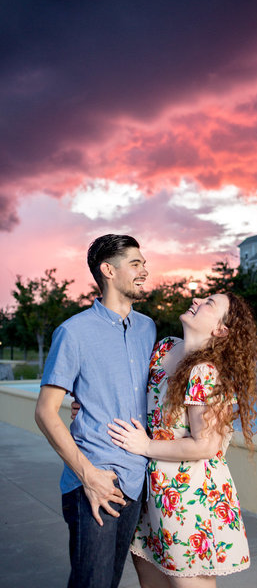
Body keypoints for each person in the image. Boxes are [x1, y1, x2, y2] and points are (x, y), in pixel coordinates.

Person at [106, 291, 257, 587]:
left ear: (221, 329)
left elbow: (207, 444)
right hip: (150, 493)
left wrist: (147, 446)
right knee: (151, 582)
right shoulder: (164, 348)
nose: (196, 302)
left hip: (191, 498)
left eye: (208, 304)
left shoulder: (206, 372)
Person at [35, 234, 156, 588]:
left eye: (143, 263)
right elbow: (45, 412)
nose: (145, 270)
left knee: (109, 581)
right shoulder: (73, 333)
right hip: (94, 480)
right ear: (108, 270)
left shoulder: (147, 328)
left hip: (136, 481)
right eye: (136, 263)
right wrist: (89, 475)